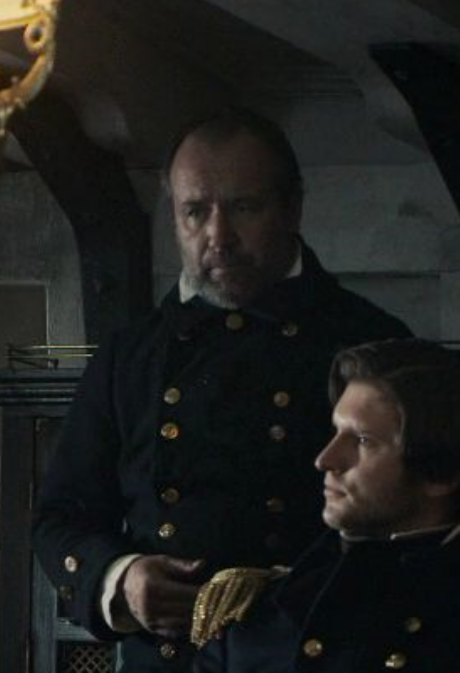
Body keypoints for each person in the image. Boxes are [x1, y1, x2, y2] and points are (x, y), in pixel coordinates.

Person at [32, 107, 411, 673]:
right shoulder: (128, 355)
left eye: (244, 207)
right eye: (195, 212)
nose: (218, 237)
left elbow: (418, 527)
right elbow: (60, 517)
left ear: (292, 207)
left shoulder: (373, 343)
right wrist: (121, 576)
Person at [193, 338, 460, 673]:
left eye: (363, 440)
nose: (325, 459)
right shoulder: (263, 609)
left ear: (440, 474)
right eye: (335, 431)